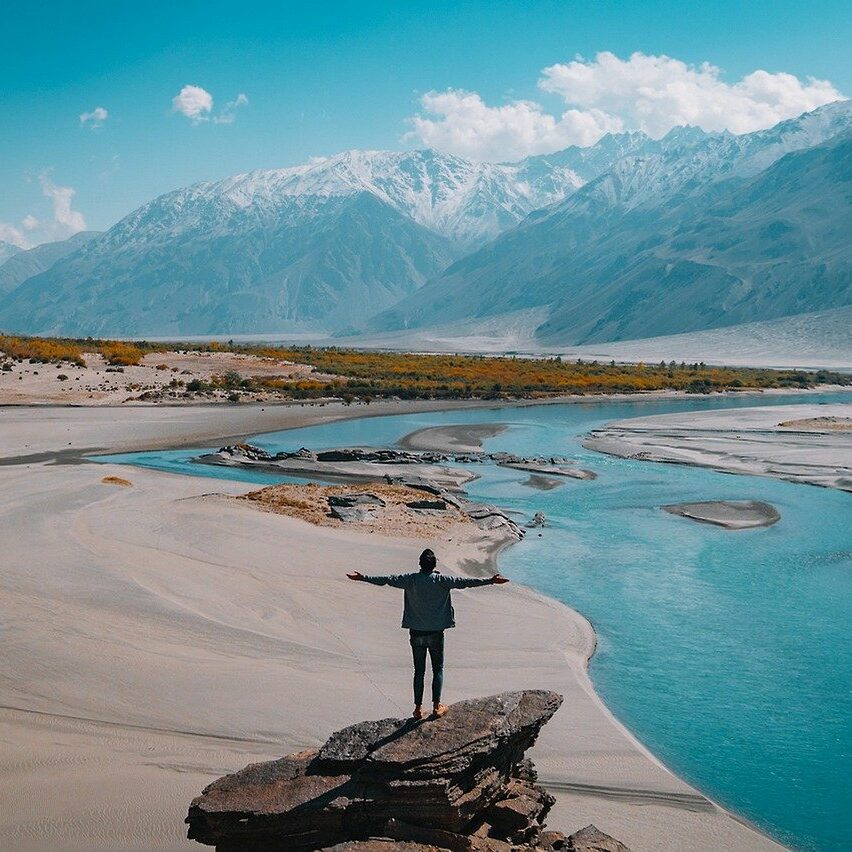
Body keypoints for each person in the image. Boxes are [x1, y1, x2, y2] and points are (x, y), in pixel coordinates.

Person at [347, 548, 509, 719]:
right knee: (437, 669)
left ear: (420, 564)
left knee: (419, 671)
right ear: (434, 565)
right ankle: (436, 706)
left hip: (416, 633)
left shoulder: (410, 579)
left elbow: (386, 580)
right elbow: (466, 582)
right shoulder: (442, 580)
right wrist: (490, 581)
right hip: (436, 633)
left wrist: (363, 577)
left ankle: (417, 709)